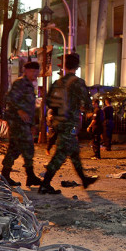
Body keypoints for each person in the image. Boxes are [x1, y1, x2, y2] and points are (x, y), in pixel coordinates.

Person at [39, 53, 98, 195]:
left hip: (58, 123)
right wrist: (86, 110)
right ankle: (45, 184)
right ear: (77, 67)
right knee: (61, 154)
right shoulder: (78, 82)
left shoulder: (57, 83)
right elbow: (88, 103)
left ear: (64, 66)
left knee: (74, 151)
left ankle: (84, 179)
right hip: (70, 124)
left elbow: (48, 102)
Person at [0, 61, 43, 188]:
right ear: (26, 71)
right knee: (22, 147)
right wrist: (19, 110)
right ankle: (12, 175)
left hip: (25, 123)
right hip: (17, 121)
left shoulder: (30, 86)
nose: (35, 74)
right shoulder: (20, 83)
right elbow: (9, 99)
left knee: (21, 148)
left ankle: (22, 176)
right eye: (33, 71)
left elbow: (31, 107)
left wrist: (33, 124)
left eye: (37, 71)